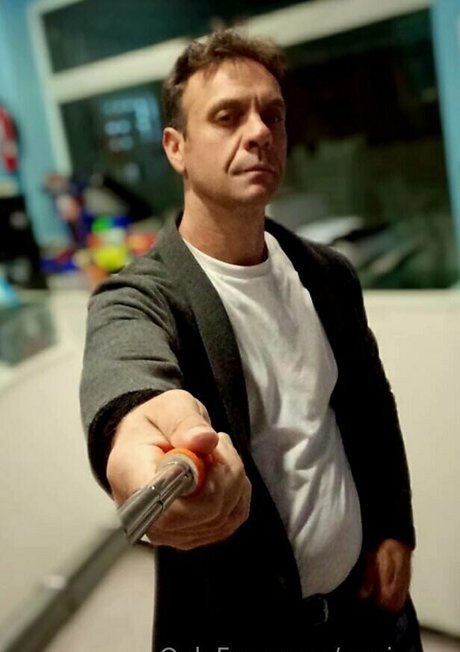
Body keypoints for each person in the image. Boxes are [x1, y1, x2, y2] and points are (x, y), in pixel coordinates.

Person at [80, 29, 423, 652]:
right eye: (228, 116)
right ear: (176, 148)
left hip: (366, 612)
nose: (260, 131)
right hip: (245, 632)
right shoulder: (140, 295)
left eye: (273, 114)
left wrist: (394, 524)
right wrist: (138, 448)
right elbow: (127, 378)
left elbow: (372, 406)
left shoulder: (326, 274)